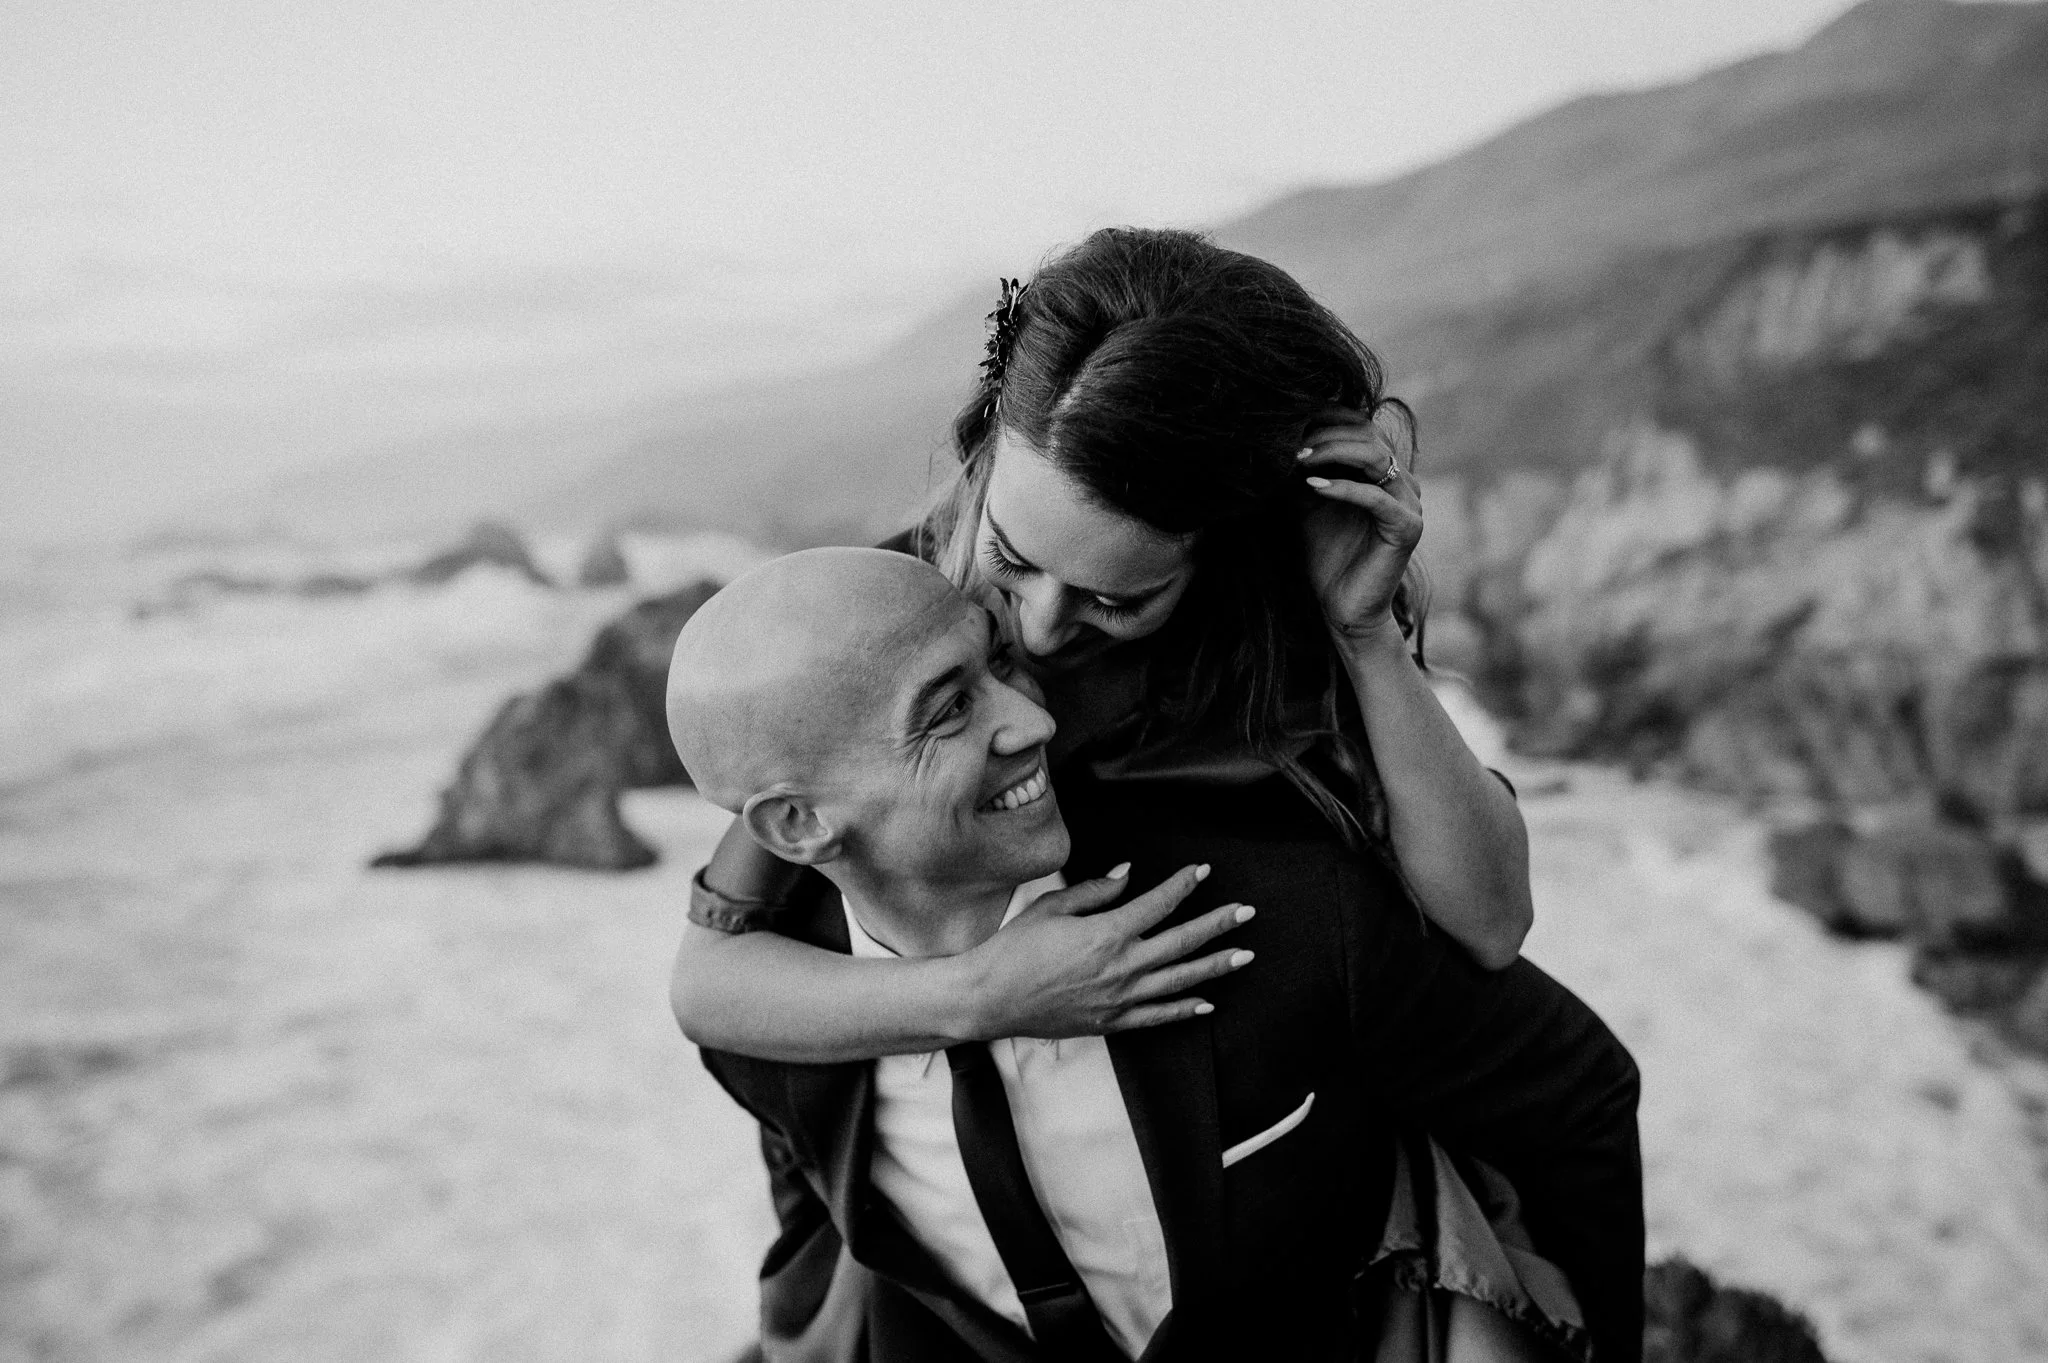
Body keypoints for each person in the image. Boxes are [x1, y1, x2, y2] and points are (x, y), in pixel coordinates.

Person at [672, 228, 1643, 1361]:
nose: (1033, 636)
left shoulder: (1271, 665)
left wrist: (1365, 637)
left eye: (1112, 597)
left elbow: (1488, 924)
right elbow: (715, 980)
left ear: (1217, 558)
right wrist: (984, 993)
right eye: (1013, 562)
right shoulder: (893, 635)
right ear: (984, 458)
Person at [671, 547, 1610, 1361]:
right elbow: (826, 1244)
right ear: (798, 823)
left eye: (1001, 662)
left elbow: (1577, 1086)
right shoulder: (780, 1033)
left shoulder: (1289, 916)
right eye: (948, 711)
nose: (1032, 721)